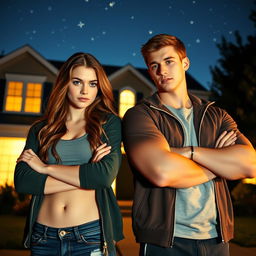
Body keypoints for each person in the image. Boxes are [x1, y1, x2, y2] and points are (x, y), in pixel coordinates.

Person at [122, 34, 256, 256]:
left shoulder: (217, 115)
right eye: (154, 65)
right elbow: (161, 172)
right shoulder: (140, 115)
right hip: (165, 242)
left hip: (217, 239)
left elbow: (250, 165)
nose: (161, 71)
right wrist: (220, 165)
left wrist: (188, 152)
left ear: (185, 63)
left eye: (168, 61)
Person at [14, 52, 124, 256]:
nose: (85, 90)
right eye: (77, 82)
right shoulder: (40, 129)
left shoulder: (108, 124)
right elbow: (23, 181)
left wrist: (45, 168)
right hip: (43, 237)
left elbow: (103, 176)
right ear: (65, 83)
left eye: (92, 84)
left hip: (88, 235)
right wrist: (87, 173)